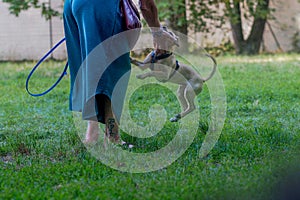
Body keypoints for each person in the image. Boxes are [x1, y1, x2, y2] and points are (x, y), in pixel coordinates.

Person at [63, 0, 177, 144]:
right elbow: (145, 4)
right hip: (101, 5)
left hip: (73, 5)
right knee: (114, 69)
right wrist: (157, 31)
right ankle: (112, 137)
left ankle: (92, 134)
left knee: (91, 67)